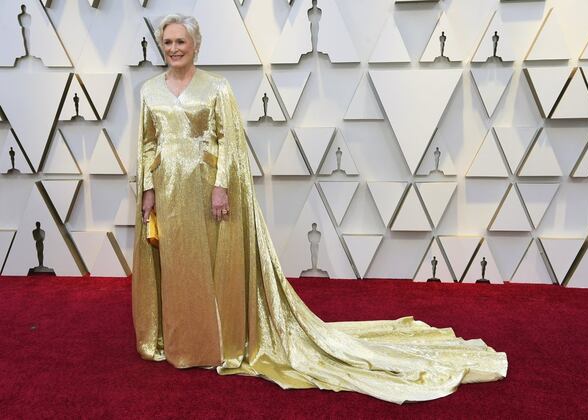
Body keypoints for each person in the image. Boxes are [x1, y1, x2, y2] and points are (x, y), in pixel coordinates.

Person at [132, 14, 507, 405]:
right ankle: (183, 343)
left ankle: (215, 343)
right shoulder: (149, 91)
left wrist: (222, 186)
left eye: (181, 42)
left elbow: (229, 140)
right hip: (169, 191)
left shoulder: (217, 87)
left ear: (196, 44)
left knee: (212, 264)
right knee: (179, 267)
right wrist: (147, 191)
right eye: (168, 42)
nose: (174, 48)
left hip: (207, 188)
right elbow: (146, 143)